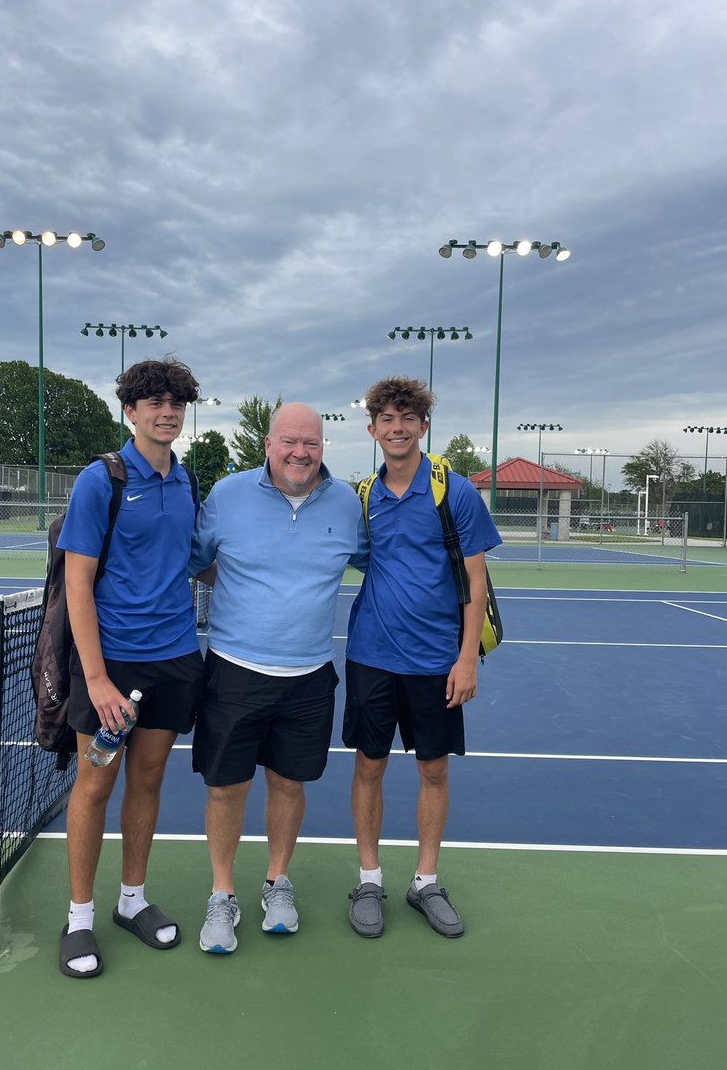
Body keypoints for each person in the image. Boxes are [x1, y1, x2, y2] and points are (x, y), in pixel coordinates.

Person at [189, 403, 368, 954]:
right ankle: (222, 893)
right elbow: (197, 560)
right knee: (226, 788)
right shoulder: (227, 495)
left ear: (322, 448)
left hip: (310, 676)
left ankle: (276, 883)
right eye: (289, 441)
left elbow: (381, 563)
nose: (300, 453)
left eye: (310, 443)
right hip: (234, 672)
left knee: (289, 784)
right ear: (267, 444)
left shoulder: (346, 503)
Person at [56, 357, 205, 978]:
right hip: (113, 665)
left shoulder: (186, 479)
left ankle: (131, 901)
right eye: (154, 403)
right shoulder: (102, 480)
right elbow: (78, 584)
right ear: (130, 411)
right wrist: (95, 679)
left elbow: (195, 564)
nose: (166, 412)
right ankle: (80, 918)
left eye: (176, 403)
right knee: (95, 784)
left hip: (174, 657)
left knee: (148, 781)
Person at [343, 376, 501, 941]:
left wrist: (467, 660)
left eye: (408, 418)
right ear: (372, 430)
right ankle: (368, 879)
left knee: (433, 769)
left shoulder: (453, 492)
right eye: (387, 419)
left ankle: (425, 881)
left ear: (423, 425)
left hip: (437, 661)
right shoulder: (362, 496)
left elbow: (476, 583)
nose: (398, 428)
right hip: (371, 656)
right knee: (369, 766)